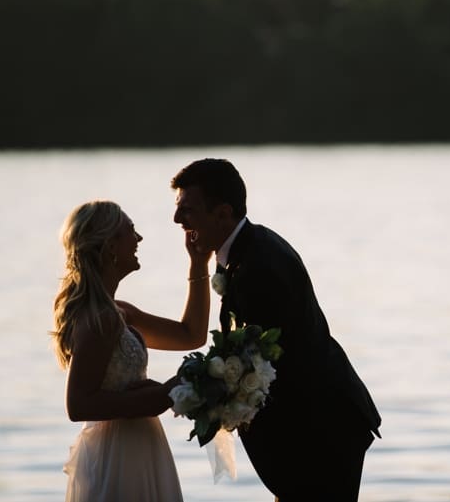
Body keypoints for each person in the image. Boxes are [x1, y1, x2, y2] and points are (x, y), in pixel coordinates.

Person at [171, 158, 381, 502]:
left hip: (319, 435)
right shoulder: (250, 248)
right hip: (314, 431)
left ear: (222, 214)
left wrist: (200, 387)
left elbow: (266, 364)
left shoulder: (258, 267)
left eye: (187, 210)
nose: (177, 220)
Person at [51, 200, 212, 502]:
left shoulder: (120, 313)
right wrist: (163, 394)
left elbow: (191, 335)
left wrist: (198, 265)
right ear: (110, 245)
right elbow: (78, 404)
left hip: (138, 448)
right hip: (118, 456)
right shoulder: (102, 319)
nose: (139, 240)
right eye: (131, 232)